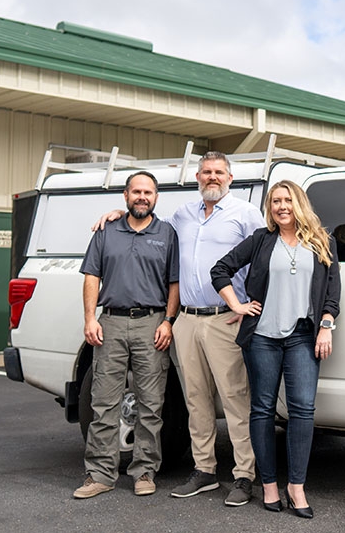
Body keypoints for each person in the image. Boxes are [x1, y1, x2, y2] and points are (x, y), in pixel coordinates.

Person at [93, 151, 266, 507]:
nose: (212, 177)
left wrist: (249, 306)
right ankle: (204, 470)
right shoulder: (182, 216)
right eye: (206, 172)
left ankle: (244, 475)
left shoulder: (246, 214)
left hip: (225, 319)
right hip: (185, 320)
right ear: (198, 177)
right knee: (195, 399)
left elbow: (264, 259)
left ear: (230, 178)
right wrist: (115, 214)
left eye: (219, 172)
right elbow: (143, 221)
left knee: (234, 398)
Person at [211, 180, 340, 519]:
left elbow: (332, 295)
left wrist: (325, 326)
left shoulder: (323, 242)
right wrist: (237, 305)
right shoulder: (260, 240)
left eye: (287, 200)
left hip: (302, 335)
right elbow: (220, 270)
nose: (281, 206)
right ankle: (268, 484)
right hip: (263, 338)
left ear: (299, 203)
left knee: (303, 410)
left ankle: (296, 486)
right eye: (275, 201)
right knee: (263, 410)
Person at [73, 171, 180, 500]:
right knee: (104, 403)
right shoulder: (107, 231)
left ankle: (144, 471)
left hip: (152, 323)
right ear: (125, 195)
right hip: (112, 324)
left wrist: (169, 322)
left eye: (148, 192)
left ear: (156, 198)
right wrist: (90, 318)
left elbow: (174, 283)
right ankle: (100, 474)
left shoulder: (167, 233)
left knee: (151, 404)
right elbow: (92, 276)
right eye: (137, 191)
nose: (142, 197)